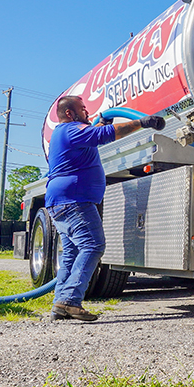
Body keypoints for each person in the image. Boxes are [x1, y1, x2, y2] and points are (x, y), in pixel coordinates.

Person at [46, 95, 165, 322]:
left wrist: (102, 123)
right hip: (75, 201)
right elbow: (103, 135)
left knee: (72, 253)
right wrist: (143, 122)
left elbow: (96, 133)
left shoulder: (66, 134)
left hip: (62, 201)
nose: (87, 113)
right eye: (83, 109)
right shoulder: (71, 130)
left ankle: (60, 304)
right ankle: (70, 300)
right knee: (93, 245)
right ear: (70, 113)